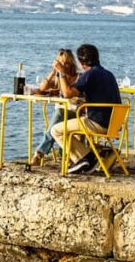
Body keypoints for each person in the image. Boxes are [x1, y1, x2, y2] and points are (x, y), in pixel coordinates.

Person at [49, 43, 121, 174]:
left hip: (97, 123)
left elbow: (67, 94)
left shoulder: (89, 74)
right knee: (70, 125)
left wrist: (61, 72)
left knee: (56, 130)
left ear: (82, 62)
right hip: (113, 124)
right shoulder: (109, 74)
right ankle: (89, 156)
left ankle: (84, 158)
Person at [30, 49, 79, 165]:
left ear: (71, 63)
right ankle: (64, 156)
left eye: (66, 63)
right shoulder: (58, 78)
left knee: (59, 113)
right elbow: (42, 88)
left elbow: (69, 93)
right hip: (62, 117)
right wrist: (53, 72)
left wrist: (62, 73)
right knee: (59, 116)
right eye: (61, 63)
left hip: (77, 113)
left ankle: (40, 153)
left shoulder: (78, 77)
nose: (64, 66)